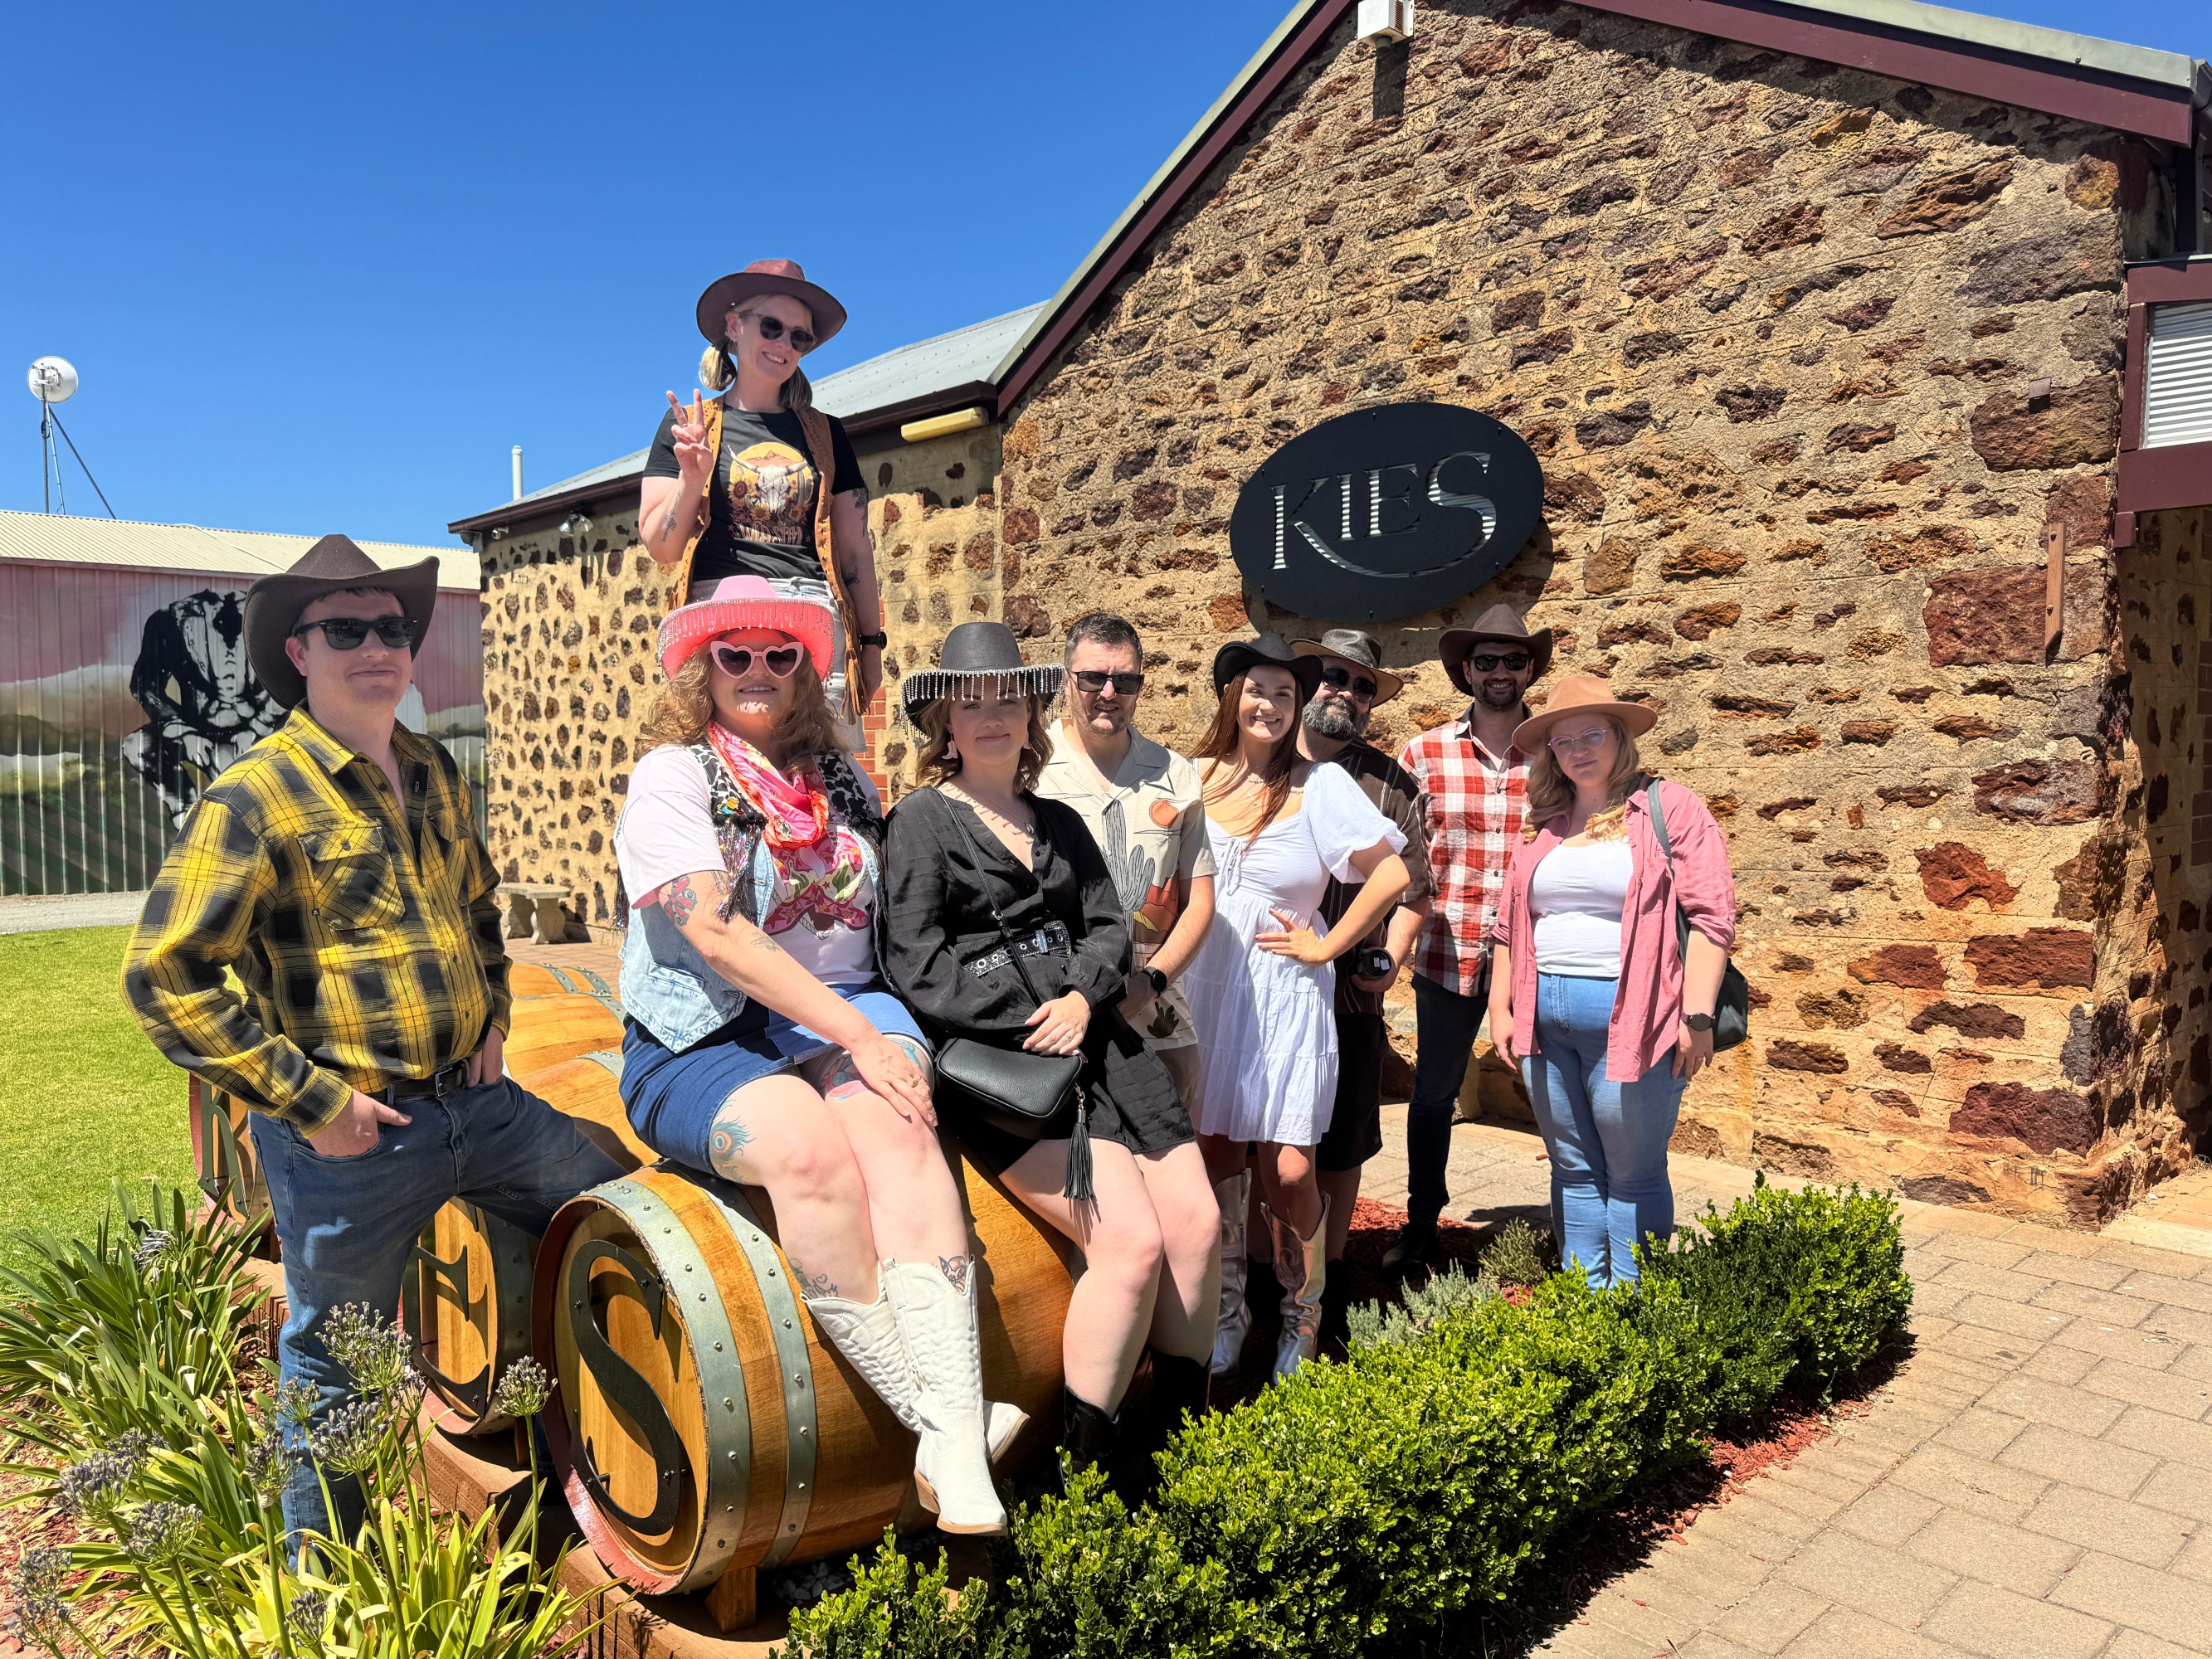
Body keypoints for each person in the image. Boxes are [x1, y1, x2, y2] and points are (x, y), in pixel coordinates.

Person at [121, 536, 625, 1542]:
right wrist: (315, 1104)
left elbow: (478, 905)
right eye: (344, 628)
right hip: (352, 1137)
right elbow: (163, 974)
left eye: (390, 627)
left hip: (479, 1105)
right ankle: (328, 1598)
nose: (375, 646)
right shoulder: (255, 795)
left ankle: (583, 1467)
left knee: (618, 1207)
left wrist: (494, 1010)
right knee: (335, 1368)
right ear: (297, 651)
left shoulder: (432, 767)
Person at [611, 577, 1011, 1536]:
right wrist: (859, 1035)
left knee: (905, 1132)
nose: (756, 671)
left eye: (778, 654)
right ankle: (951, 1426)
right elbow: (709, 930)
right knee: (806, 1154)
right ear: (701, 668)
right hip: (704, 1030)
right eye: (734, 654)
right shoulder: (673, 773)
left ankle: (948, 1437)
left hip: (853, 1009)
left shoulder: (845, 779)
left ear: (805, 670)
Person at [882, 622, 1218, 1481]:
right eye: (970, 702)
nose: (990, 717)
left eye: (1006, 699)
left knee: (1199, 1222)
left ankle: (1180, 1445)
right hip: (1015, 1071)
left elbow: (1107, 923)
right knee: (1131, 1243)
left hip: (1102, 1043)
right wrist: (1038, 1010)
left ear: (1032, 714)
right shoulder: (919, 823)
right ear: (944, 724)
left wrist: (1078, 995)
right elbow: (916, 964)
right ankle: (1090, 1479)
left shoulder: (1061, 821)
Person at [1182, 635, 1410, 1378]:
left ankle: (1301, 1318)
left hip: (1284, 995)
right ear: (1231, 696)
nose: (1272, 706)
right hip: (1208, 990)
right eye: (1259, 690)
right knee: (1214, 1158)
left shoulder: (1323, 786)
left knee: (1285, 1170)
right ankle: (1225, 1310)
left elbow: (1392, 875)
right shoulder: (1197, 777)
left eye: (1286, 694)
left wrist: (1329, 946)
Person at [1488, 675, 1737, 1288]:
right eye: (1563, 740)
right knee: (1573, 1169)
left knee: (1633, 1172)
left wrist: (1698, 1017)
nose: (1578, 750)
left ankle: (1631, 1309)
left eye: (1592, 734)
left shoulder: (1668, 807)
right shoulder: (1546, 822)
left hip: (1641, 1021)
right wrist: (1502, 1010)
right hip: (1546, 1025)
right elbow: (1506, 928)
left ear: (1619, 738)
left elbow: (1711, 917)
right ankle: (1585, 1300)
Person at [636, 260, 889, 735]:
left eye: (800, 337)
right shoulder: (692, 428)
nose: (784, 345)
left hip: (814, 615)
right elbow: (661, 547)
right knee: (734, 777)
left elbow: (856, 550)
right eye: (772, 326)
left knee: (826, 779)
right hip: (723, 615)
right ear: (734, 325)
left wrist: (870, 647)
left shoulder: (827, 435)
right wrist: (692, 482)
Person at [1381, 603, 1547, 1273]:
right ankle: (1422, 1222)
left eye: (1512, 660)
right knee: (1434, 1096)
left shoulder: (1557, 749)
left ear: (1530, 667)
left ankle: (1573, 1224)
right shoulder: (1422, 753)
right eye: (1486, 661)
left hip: (1536, 960)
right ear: (1465, 671)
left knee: (1558, 1101)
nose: (1500, 671)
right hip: (1447, 953)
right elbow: (1394, 856)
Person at [1289, 630, 1433, 1349]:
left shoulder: (1390, 784)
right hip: (1268, 991)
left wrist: (1393, 962)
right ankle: (1262, 1271)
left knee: (1342, 1147)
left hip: (1348, 997)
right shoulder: (1258, 763)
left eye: (1362, 685)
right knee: (1265, 1141)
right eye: (1332, 675)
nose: (1344, 690)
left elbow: (1416, 893)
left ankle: (1331, 1273)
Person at [1034, 611, 1217, 1117]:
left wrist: (1151, 982)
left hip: (1152, 1004)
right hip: (1056, 1001)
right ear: (1066, 679)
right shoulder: (1029, 768)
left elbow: (1199, 899)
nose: (1109, 691)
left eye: (1125, 680)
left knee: (1171, 1145)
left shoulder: (1175, 775)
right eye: (1093, 677)